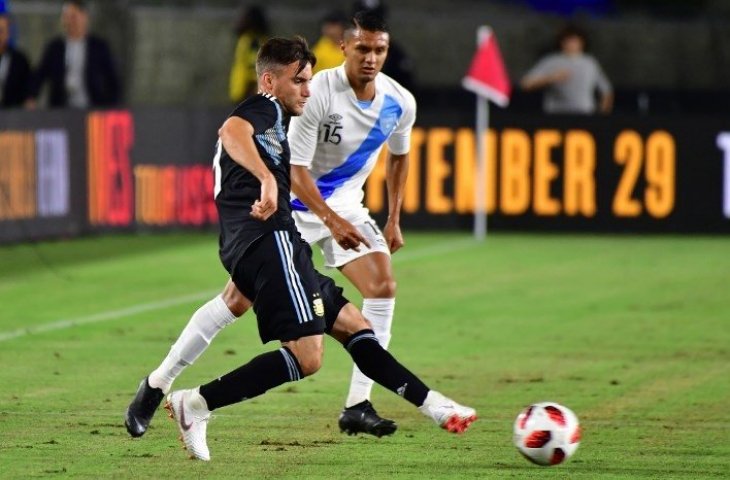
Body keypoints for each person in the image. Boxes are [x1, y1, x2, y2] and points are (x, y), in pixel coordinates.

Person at [127, 35, 476, 462]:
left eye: (310, 81)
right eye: (299, 82)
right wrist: (269, 179)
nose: (307, 91)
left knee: (355, 327)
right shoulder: (263, 108)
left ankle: (436, 406)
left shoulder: (277, 116)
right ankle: (195, 403)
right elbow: (232, 130)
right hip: (266, 241)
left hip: (275, 240)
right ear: (270, 81)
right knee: (308, 356)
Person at [26, 0, 120, 109]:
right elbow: (39, 75)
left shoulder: (99, 47)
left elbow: (112, 80)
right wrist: (31, 97)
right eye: (66, 17)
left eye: (73, 17)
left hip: (92, 107)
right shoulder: (55, 48)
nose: (70, 21)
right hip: (60, 109)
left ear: (85, 17)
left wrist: (110, 106)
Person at [520, 24, 612, 114]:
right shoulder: (551, 61)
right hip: (557, 115)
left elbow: (606, 90)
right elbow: (525, 84)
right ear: (561, 42)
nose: (571, 44)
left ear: (582, 42)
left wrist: (603, 115)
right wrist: (551, 78)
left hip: (585, 115)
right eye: (568, 41)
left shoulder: (590, 62)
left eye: (575, 41)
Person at [228, 4, 270, 104]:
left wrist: (250, 94)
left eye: (243, 17)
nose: (239, 20)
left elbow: (253, 69)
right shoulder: (249, 39)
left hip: (247, 95)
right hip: (243, 94)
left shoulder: (253, 42)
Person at [0, 12, 30, 108]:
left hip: (13, 114)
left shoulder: (20, 60)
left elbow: (27, 89)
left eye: (1, 31)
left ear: (8, 34)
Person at [311, 10, 347, 74]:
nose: (328, 28)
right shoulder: (319, 48)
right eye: (326, 25)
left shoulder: (352, 47)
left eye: (333, 25)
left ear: (342, 27)